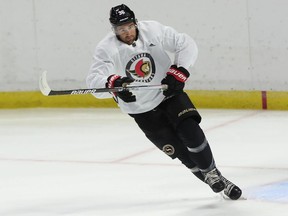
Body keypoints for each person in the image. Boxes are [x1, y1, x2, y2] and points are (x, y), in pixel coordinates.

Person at [87, 4, 242, 200]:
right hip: (141, 109)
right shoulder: (106, 48)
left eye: (128, 26)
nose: (126, 32)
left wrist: (181, 71)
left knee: (190, 130)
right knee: (182, 153)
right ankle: (218, 179)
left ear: (135, 22)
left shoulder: (152, 30)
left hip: (168, 93)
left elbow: (185, 43)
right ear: (113, 30)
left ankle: (212, 173)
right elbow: (94, 81)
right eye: (120, 29)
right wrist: (114, 85)